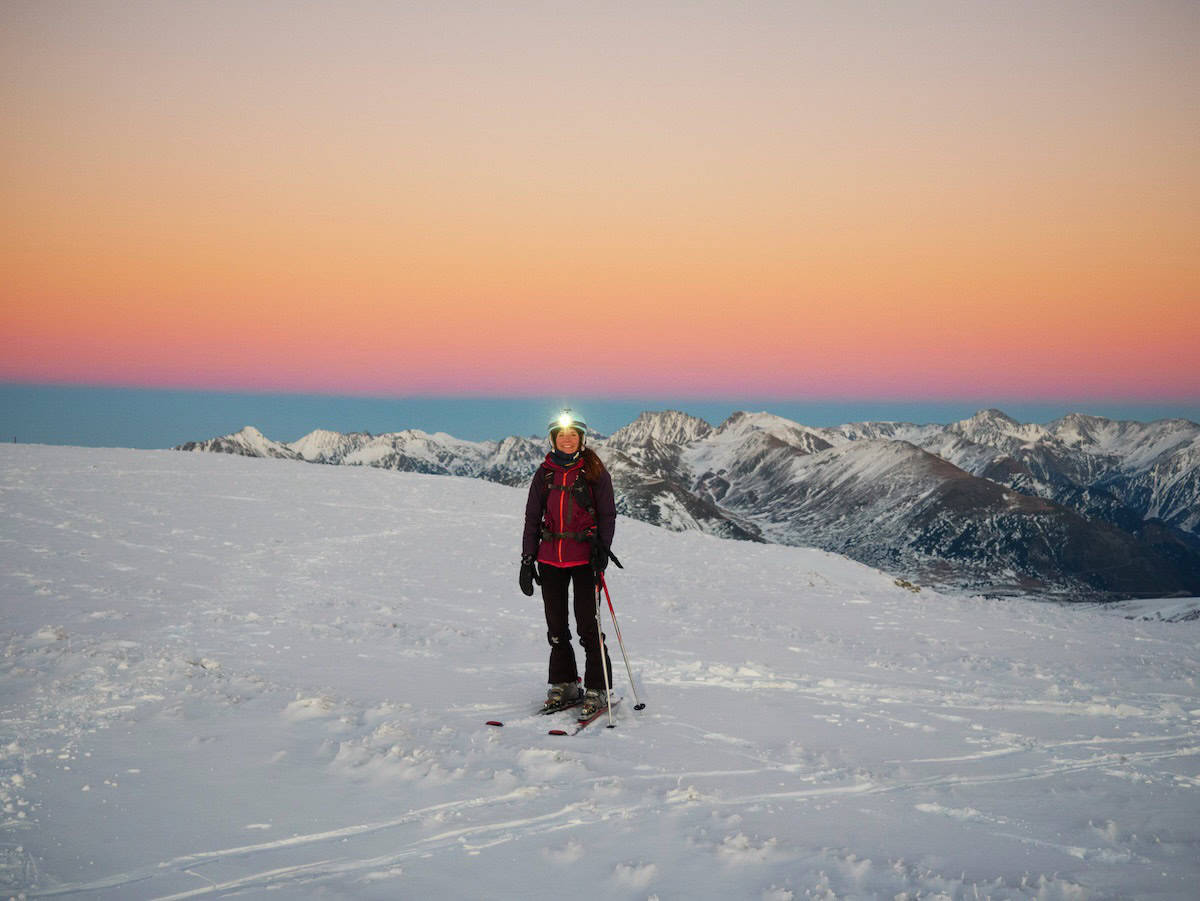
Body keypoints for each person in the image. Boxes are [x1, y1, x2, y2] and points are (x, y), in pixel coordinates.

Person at [520, 411, 616, 716]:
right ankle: (565, 684)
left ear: (581, 439)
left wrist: (603, 549)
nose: (566, 439)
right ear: (552, 439)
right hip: (550, 559)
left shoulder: (594, 472)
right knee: (557, 628)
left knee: (589, 627)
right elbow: (532, 518)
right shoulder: (544, 474)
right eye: (561, 435)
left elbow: (607, 515)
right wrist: (526, 559)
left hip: (585, 558)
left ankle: (597, 689)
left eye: (572, 435)